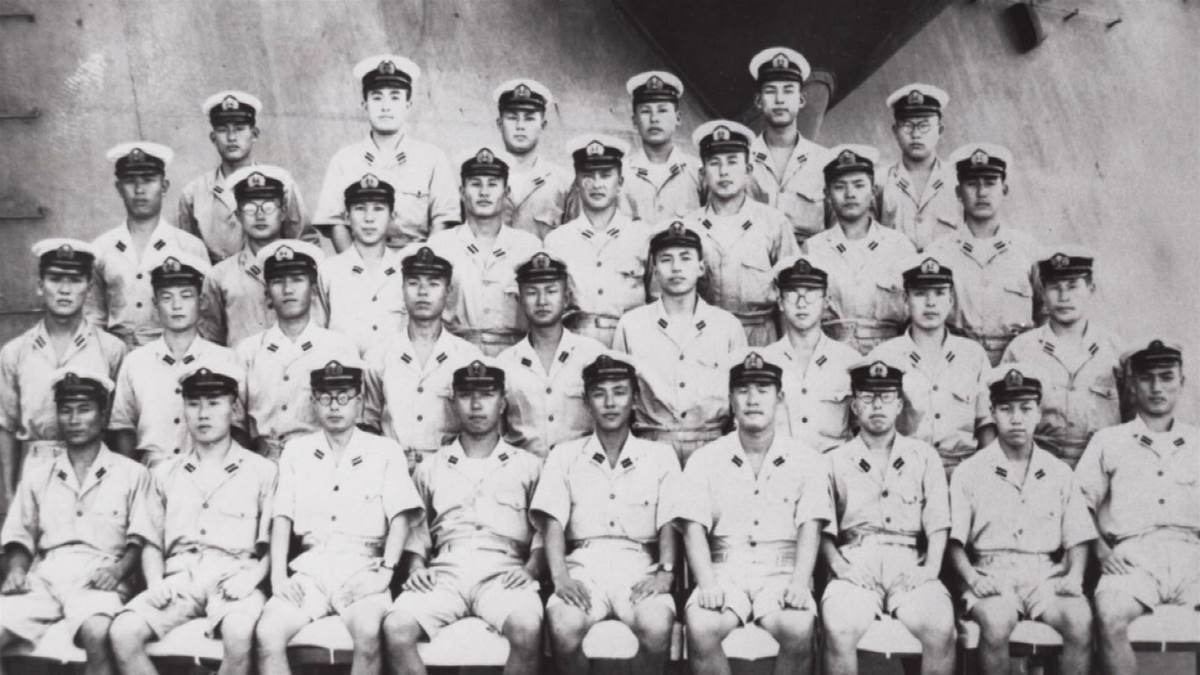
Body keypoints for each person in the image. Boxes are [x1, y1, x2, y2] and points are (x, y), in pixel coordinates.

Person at [255, 361, 424, 675]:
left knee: (369, 633)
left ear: (359, 402)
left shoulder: (384, 450)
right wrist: (278, 576)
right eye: (325, 397)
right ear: (314, 402)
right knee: (267, 633)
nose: (335, 406)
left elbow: (401, 515)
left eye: (344, 396)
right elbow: (282, 517)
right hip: (311, 568)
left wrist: (386, 571)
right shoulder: (296, 451)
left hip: (363, 566)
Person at [109, 367, 276, 675]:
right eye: (194, 403)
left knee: (239, 633)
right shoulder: (164, 473)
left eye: (214, 403)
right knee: (123, 632)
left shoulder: (262, 471)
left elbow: (272, 544)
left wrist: (251, 579)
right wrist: (155, 582)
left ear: (233, 408)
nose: (203, 414)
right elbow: (150, 539)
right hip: (180, 578)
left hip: (234, 576)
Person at [382, 360, 544, 675]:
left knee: (527, 628)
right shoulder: (431, 467)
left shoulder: (528, 465)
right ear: (454, 402)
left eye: (487, 395)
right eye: (466, 395)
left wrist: (531, 568)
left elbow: (544, 530)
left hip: (504, 571)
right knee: (396, 628)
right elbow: (416, 530)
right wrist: (416, 567)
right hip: (445, 571)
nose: (476, 405)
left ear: (502, 403)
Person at [679, 352, 831, 675]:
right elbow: (693, 528)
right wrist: (706, 583)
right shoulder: (705, 459)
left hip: (782, 570)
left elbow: (811, 526)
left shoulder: (806, 459)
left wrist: (799, 582)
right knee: (702, 625)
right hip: (724, 569)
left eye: (763, 390)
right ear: (731, 400)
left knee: (798, 627)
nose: (752, 400)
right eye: (743, 390)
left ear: (780, 398)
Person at [532, 354, 681, 675]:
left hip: (639, 565)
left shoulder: (659, 456)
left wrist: (665, 573)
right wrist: (560, 576)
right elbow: (552, 523)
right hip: (583, 566)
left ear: (635, 399)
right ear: (587, 402)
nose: (610, 403)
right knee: (563, 625)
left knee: (656, 626)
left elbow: (669, 522)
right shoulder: (565, 456)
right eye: (599, 394)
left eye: (620, 392)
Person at [948, 365, 1095, 675]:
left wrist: (1075, 575)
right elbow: (955, 542)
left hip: (1045, 573)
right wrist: (973, 579)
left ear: (1038, 413)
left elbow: (1078, 535)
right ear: (992, 413)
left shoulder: (1058, 471)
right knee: (996, 622)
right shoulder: (969, 472)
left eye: (1026, 409)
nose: (1016, 418)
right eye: (1006, 409)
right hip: (991, 570)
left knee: (1080, 621)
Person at [0, 369, 148, 675]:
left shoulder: (132, 474)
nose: (74, 419)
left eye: (84, 409)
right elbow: (19, 536)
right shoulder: (39, 474)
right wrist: (16, 570)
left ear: (103, 416)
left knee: (97, 632)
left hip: (100, 576)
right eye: (66, 410)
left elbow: (141, 539)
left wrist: (118, 571)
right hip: (45, 576)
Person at [820, 360, 955, 675]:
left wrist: (931, 568)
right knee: (840, 628)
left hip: (909, 560)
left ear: (899, 405)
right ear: (854, 406)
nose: (877, 405)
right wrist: (841, 567)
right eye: (867, 398)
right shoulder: (834, 460)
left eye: (886, 397)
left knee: (939, 627)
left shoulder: (924, 456)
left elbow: (938, 521)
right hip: (856, 559)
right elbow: (823, 527)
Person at [1075, 339, 1199, 675]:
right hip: (1134, 556)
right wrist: (1101, 551)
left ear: (1182, 382)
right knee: (1110, 614)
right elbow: (1078, 504)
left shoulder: (1197, 442)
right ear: (1132, 384)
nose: (1157, 388)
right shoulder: (1109, 441)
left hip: (1192, 554)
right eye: (1146, 378)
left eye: (1166, 377)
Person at [0, 240, 125, 499]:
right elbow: (6, 426)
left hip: (94, 472)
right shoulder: (15, 352)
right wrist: (11, 494)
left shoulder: (111, 349)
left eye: (75, 280)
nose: (65, 290)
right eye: (55, 279)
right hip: (36, 470)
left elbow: (119, 425)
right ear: (40, 285)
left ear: (89, 287)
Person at [612, 222, 746, 463]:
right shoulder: (631, 325)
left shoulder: (727, 326)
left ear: (701, 267)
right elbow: (619, 398)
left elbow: (741, 399)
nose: (676, 268)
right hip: (651, 445)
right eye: (666, 260)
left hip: (712, 445)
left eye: (685, 258)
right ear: (654, 271)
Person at [313, 55, 458, 252]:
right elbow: (335, 222)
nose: (385, 106)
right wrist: (354, 266)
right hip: (361, 260)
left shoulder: (432, 158)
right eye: (377, 97)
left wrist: (424, 262)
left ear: (408, 105)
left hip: (417, 262)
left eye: (395, 97)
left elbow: (444, 220)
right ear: (365, 105)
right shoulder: (344, 160)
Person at [110, 255, 245, 466]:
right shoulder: (135, 362)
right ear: (155, 304)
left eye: (186, 296)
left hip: (208, 469)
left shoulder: (226, 359)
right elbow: (123, 428)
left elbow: (238, 428)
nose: (176, 305)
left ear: (201, 302)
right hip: (152, 471)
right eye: (166, 297)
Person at [866, 257, 992, 475]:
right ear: (906, 300)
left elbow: (986, 423)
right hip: (905, 470)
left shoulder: (972, 355)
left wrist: (983, 474)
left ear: (951, 300)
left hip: (961, 468)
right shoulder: (884, 357)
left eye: (939, 293)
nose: (930, 303)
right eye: (920, 293)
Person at [680, 119, 800, 346]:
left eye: (732, 162)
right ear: (703, 173)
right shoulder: (689, 227)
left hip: (760, 335)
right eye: (714, 163)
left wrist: (788, 352)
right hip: (706, 336)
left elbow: (792, 292)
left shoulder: (773, 223)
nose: (723, 172)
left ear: (748, 170)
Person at [1000, 248, 1123, 467]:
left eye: (1073, 286)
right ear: (1042, 291)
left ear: (1091, 289)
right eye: (1055, 287)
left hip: (1102, 464)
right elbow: (1002, 417)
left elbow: (1133, 417)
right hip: (1040, 465)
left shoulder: (1114, 349)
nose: (1064, 297)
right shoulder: (1021, 350)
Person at [235, 241, 358, 459]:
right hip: (263, 460)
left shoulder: (338, 348)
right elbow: (236, 424)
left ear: (313, 290)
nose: (288, 290)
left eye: (297, 280)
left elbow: (354, 421)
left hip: (320, 461)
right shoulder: (248, 352)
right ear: (267, 293)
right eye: (278, 282)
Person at [363, 247, 482, 470]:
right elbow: (367, 425)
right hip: (392, 469)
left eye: (434, 284)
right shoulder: (379, 355)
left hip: (448, 471)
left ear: (448, 292)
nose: (423, 292)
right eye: (413, 283)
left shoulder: (467, 357)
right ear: (402, 289)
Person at [924, 144, 1039, 365]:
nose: (982, 192)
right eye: (971, 184)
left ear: (1004, 189)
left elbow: (1045, 312)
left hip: (1017, 365)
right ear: (958, 193)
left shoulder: (1028, 250)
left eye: (990, 183)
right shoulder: (938, 253)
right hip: (957, 364)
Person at [88, 142, 211, 347]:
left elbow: (205, 315)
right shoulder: (101, 248)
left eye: (148, 180)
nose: (139, 190)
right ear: (119, 188)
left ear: (164, 186)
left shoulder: (189, 247)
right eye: (130, 181)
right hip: (116, 351)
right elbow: (93, 316)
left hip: (173, 351)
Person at [426, 146, 542, 356]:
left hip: (514, 355)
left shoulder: (528, 246)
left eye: (493, 184)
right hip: (456, 354)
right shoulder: (440, 246)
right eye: (475, 184)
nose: (484, 192)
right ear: (462, 192)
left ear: (506, 192)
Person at [803, 144, 916, 355]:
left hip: (890, 354)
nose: (850, 194)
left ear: (873, 192)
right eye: (839, 187)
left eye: (858, 185)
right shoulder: (813, 249)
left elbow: (916, 316)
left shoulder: (899, 246)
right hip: (831, 354)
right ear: (827, 194)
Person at [198, 166, 327, 347]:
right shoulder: (220, 276)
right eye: (250, 208)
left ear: (283, 212)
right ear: (238, 215)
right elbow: (211, 340)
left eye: (268, 207)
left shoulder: (315, 268)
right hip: (243, 363)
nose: (260, 216)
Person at [543, 134, 649, 347]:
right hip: (575, 342)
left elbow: (657, 300)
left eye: (606, 175)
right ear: (577, 183)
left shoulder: (641, 235)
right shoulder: (557, 241)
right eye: (588, 176)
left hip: (631, 342)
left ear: (620, 183)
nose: (597, 184)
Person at [176, 90, 307, 262]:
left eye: (239, 129)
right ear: (213, 137)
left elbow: (303, 241)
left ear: (254, 134)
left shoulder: (281, 183)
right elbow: (189, 254)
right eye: (222, 130)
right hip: (217, 277)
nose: (231, 137)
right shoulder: (193, 193)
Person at [498, 252, 606, 458]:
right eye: (532, 292)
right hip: (524, 469)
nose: (542, 301)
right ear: (520, 300)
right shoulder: (505, 363)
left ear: (565, 299)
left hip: (579, 469)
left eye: (551, 291)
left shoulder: (592, 355)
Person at [760, 256, 858, 453]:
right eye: (792, 294)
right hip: (783, 467)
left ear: (826, 302)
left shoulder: (849, 361)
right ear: (780, 302)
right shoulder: (766, 362)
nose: (801, 303)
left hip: (832, 467)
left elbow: (863, 432)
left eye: (811, 293)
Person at [745, 47, 828, 245]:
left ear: (801, 100)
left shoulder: (824, 161)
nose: (780, 99)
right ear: (758, 101)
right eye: (770, 91)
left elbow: (836, 231)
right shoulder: (740, 160)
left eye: (788, 90)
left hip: (808, 260)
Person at [320, 173, 410, 353]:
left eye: (378, 209)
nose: (369, 218)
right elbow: (317, 332)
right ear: (347, 217)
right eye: (360, 209)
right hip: (343, 368)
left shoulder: (405, 270)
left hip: (393, 367)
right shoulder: (328, 271)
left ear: (392, 216)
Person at [876, 84, 959, 252]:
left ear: (940, 130)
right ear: (895, 131)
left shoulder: (957, 179)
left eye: (924, 125)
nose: (915, 134)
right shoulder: (880, 181)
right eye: (907, 125)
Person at [492, 78, 572, 240]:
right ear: (499, 124)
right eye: (512, 117)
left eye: (529, 118)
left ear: (543, 125)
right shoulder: (481, 180)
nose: (520, 126)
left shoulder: (563, 183)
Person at [621, 70, 703, 223]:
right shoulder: (621, 173)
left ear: (678, 118)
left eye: (662, 110)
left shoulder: (697, 171)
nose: (654, 119)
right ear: (634, 121)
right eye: (646, 111)